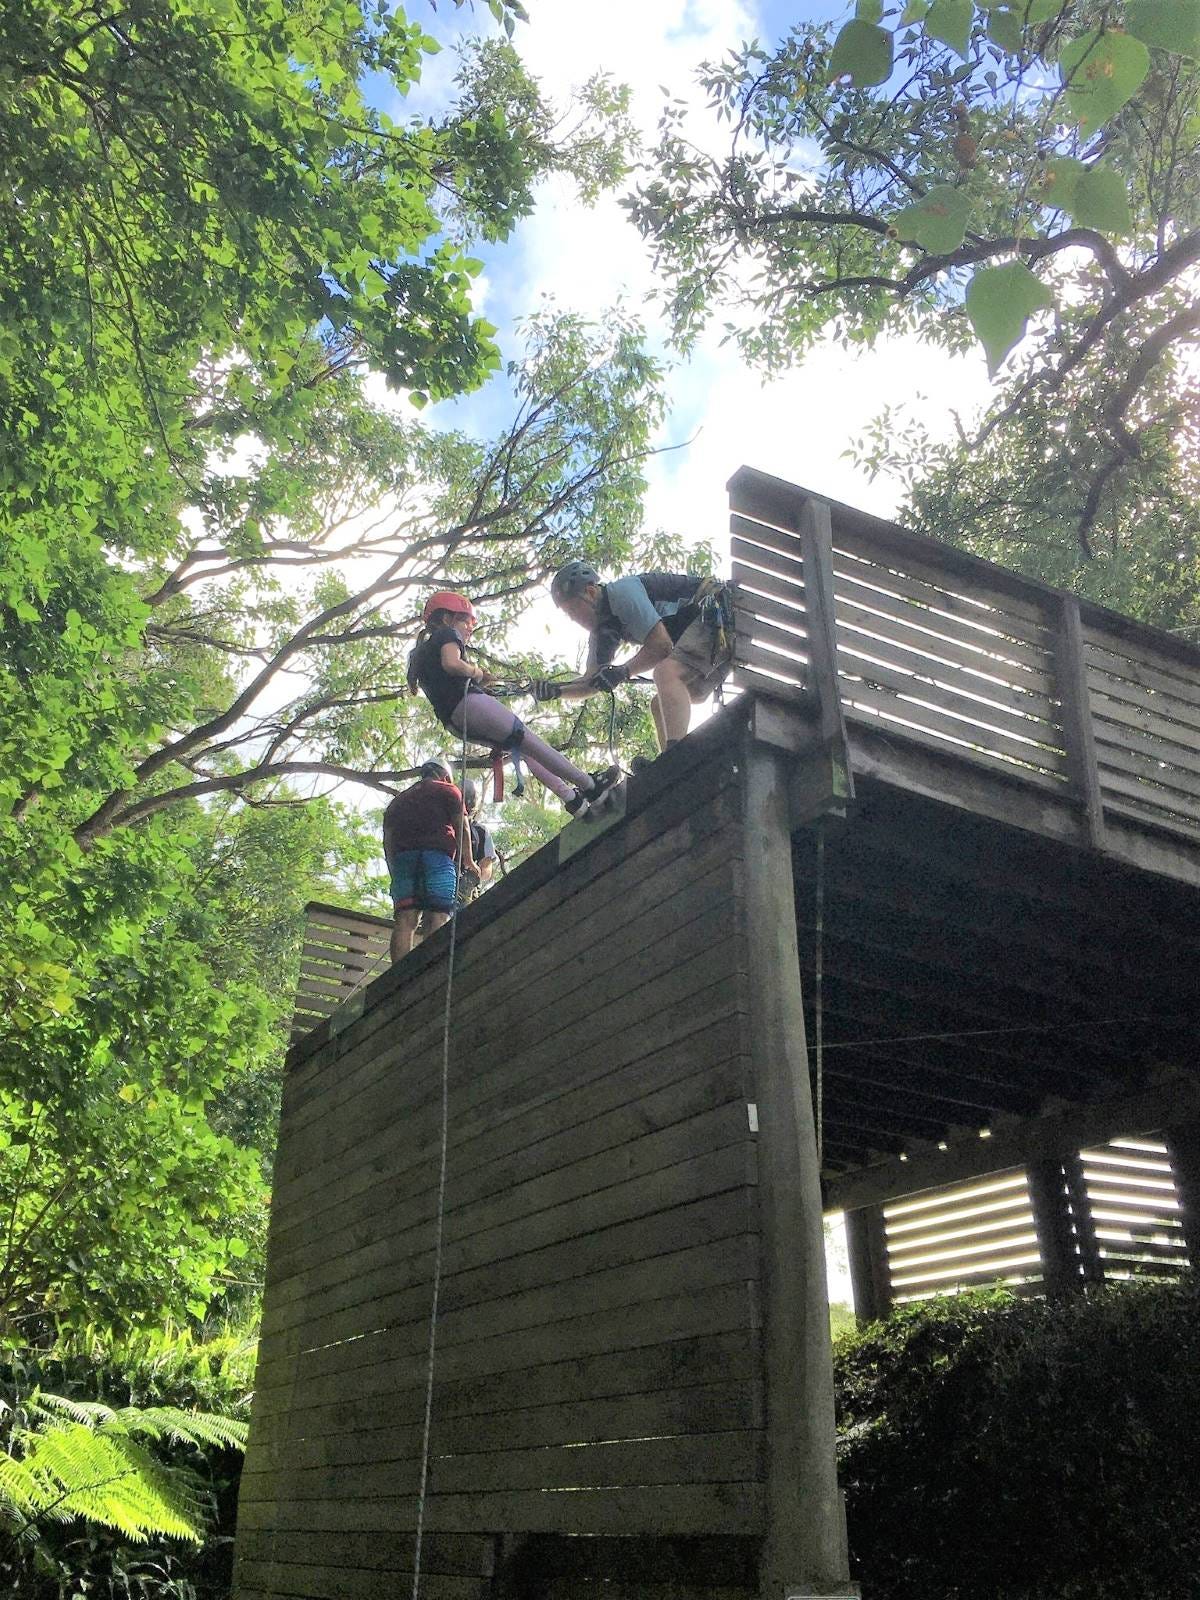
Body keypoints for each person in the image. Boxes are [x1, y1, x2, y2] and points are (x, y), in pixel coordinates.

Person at [407, 590, 620, 817]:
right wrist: (477, 672)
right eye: (467, 621)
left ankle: (572, 800)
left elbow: (444, 680)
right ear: (448, 618)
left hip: (454, 722)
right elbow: (451, 664)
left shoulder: (419, 654)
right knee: (529, 740)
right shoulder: (447, 634)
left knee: (523, 749)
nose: (470, 628)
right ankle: (590, 786)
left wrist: (482, 683)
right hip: (470, 705)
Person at [534, 563, 734, 754]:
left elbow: (661, 646)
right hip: (711, 631)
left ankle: (678, 754)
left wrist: (623, 672)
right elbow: (592, 681)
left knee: (666, 674)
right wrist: (557, 691)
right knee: (660, 705)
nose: (574, 619)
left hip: (718, 611)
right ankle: (670, 765)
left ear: (591, 592)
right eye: (569, 615)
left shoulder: (622, 593)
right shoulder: (602, 631)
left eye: (574, 610)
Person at [382, 758, 475, 963]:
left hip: (404, 862)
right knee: (438, 915)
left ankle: (398, 975)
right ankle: (429, 970)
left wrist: (394, 871)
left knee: (405, 919)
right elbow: (463, 827)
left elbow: (388, 841)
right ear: (444, 776)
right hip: (437, 860)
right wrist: (468, 860)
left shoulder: (398, 801)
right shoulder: (449, 791)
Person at [456, 777, 496, 905]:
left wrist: (473, 877)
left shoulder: (481, 832)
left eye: (471, 797)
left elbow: (487, 866)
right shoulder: (445, 826)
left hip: (467, 890)